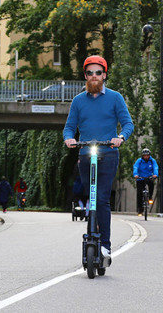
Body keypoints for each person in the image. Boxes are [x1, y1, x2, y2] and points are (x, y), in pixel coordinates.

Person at [63, 55, 134, 262]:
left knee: (101, 199)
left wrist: (120, 137)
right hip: (86, 154)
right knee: (90, 197)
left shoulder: (115, 98)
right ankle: (91, 237)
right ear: (85, 75)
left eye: (98, 73)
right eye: (90, 73)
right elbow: (69, 127)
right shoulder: (78, 101)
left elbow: (128, 124)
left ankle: (105, 246)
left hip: (108, 153)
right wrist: (69, 139)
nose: (94, 76)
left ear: (104, 75)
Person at [133, 148, 159, 215]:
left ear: (149, 155)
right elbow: (135, 167)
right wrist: (135, 174)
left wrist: (155, 174)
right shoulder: (139, 161)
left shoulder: (152, 161)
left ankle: (150, 197)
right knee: (139, 193)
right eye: (144, 155)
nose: (146, 157)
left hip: (149, 177)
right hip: (140, 178)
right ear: (142, 155)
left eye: (147, 155)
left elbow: (155, 167)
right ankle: (140, 209)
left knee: (151, 185)